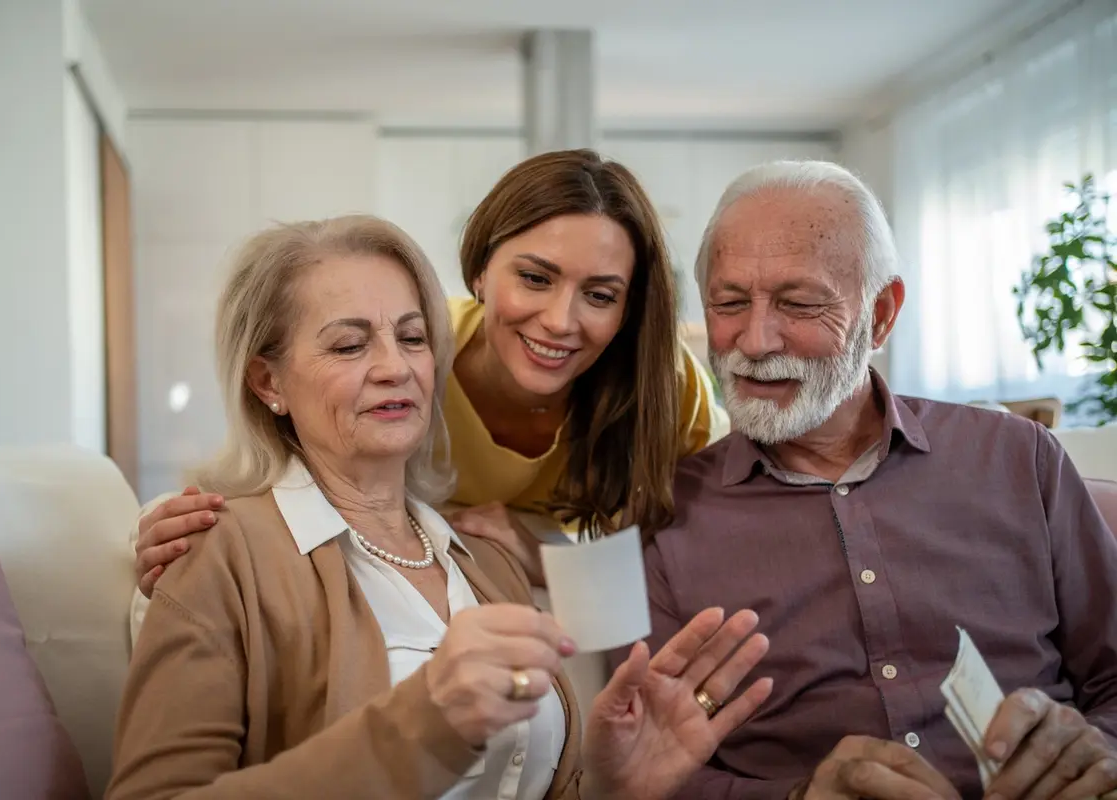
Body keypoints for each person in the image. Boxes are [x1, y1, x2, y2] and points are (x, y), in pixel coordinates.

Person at [106, 215, 772, 800]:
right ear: (267, 380)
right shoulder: (218, 553)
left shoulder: (488, 563)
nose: (396, 366)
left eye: (413, 338)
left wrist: (615, 789)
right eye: (348, 344)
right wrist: (425, 723)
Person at [628, 160, 1117, 800]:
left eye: (799, 303)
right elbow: (649, 769)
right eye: (729, 303)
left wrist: (1100, 750)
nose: (753, 339)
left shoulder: (1020, 457)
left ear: (881, 314)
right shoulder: (669, 513)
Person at [130, 148, 725, 607]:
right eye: (535, 278)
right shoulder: (411, 362)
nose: (560, 321)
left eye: (599, 294)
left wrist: (537, 551)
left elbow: (683, 572)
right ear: (481, 272)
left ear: (628, 309)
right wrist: (193, 537)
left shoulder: (661, 388)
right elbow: (285, 462)